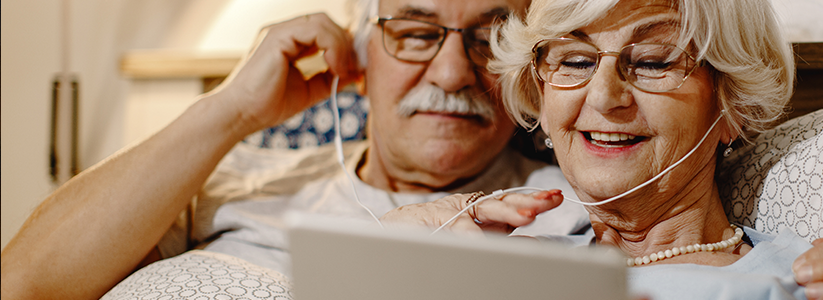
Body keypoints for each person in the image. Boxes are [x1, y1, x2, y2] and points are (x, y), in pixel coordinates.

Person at [0, 0, 589, 299]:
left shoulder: (579, 213)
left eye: (490, 40)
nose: (453, 72)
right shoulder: (232, 179)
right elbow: (23, 284)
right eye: (414, 33)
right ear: (360, 57)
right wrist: (231, 110)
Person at [381, 0, 823, 299]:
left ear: (731, 107)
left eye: (652, 61)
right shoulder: (489, 258)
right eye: (573, 61)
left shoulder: (811, 279)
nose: (604, 96)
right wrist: (387, 272)